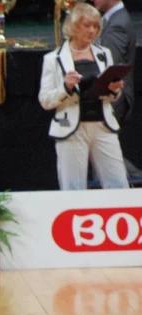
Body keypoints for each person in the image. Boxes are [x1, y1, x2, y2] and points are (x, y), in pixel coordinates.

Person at [38, 3, 129, 190]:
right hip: (71, 128)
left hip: (103, 126)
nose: (92, 31)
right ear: (73, 26)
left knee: (119, 185)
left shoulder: (104, 54)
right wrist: (66, 87)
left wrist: (114, 89)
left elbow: (112, 98)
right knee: (73, 188)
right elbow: (45, 100)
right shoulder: (53, 59)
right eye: (87, 25)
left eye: (96, 26)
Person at [94, 0, 139, 178]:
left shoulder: (117, 26)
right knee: (102, 154)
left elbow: (110, 69)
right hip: (112, 95)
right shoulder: (115, 19)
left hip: (113, 97)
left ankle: (135, 180)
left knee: (104, 153)